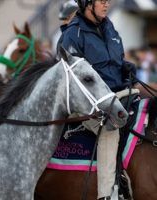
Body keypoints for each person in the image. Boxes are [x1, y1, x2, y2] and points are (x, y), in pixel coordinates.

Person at [59, 0, 138, 199]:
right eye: (102, 1)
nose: (107, 4)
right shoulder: (72, 34)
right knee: (109, 129)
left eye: (108, 1)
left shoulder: (109, 27)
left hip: (118, 95)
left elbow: (115, 61)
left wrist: (126, 68)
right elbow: (71, 80)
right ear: (87, 3)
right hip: (88, 103)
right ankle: (107, 194)